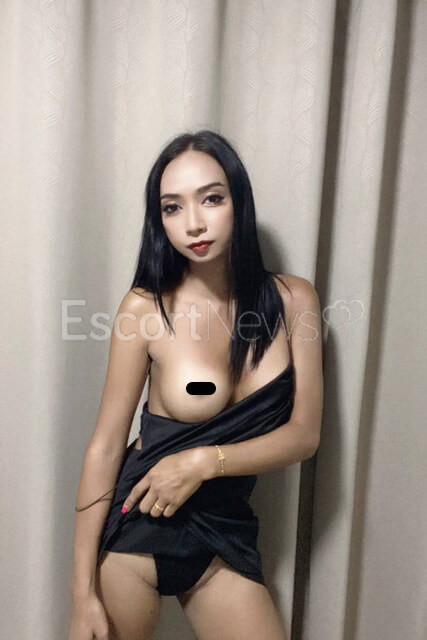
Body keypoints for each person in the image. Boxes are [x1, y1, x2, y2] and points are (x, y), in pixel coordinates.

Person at [68, 130, 323, 640]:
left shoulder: (295, 300)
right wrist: (81, 595)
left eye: (211, 199)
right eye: (172, 207)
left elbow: (304, 436)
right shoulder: (144, 309)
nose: (194, 224)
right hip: (138, 525)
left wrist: (203, 462)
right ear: (159, 219)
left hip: (223, 530)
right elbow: (105, 447)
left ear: (238, 202)